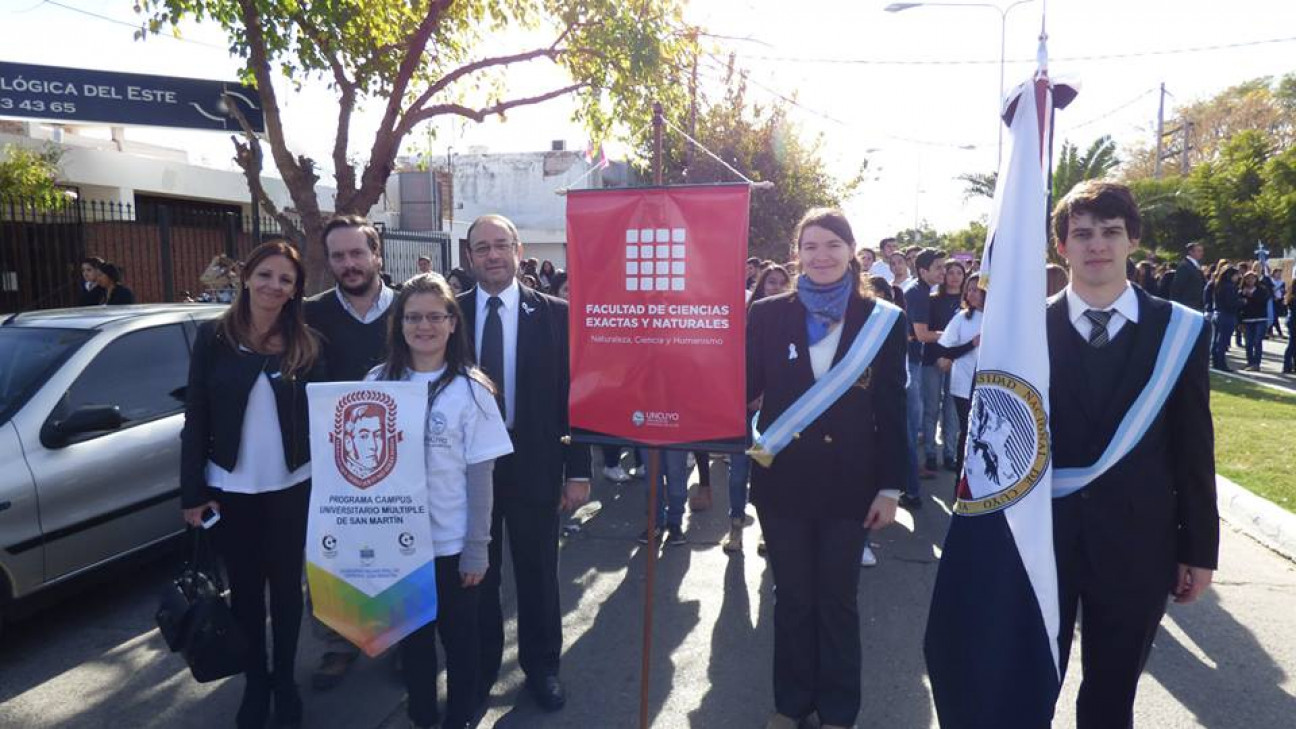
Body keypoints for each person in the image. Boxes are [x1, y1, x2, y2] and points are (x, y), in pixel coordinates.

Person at [1048, 181, 1217, 728]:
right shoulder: (1024, 328)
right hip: (1041, 538)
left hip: (1139, 542)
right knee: (1028, 680)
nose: (1097, 245)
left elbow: (1194, 445)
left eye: (1111, 232)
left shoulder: (1181, 330)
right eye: (1082, 234)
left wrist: (1198, 547)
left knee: (1112, 692)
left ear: (1133, 240)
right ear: (1062, 247)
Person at [748, 208, 904, 729]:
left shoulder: (883, 318)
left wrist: (890, 488)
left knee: (837, 601)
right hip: (783, 480)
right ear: (797, 253)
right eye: (810, 246)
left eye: (832, 245)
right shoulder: (768, 313)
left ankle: (838, 708)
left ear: (851, 251)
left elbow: (892, 410)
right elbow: (743, 388)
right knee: (792, 597)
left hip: (851, 485)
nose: (821, 256)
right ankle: (790, 703)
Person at [180, 240, 325, 729]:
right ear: (246, 277)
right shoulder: (213, 338)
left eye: (286, 279)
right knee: (244, 594)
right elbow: (196, 416)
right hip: (229, 490)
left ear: (295, 290)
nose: (274, 286)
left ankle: (284, 680)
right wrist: (192, 493)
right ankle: (256, 683)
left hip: (292, 488)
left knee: (286, 593)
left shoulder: (307, 342)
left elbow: (325, 418)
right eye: (266, 274)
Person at [366, 274, 512, 729]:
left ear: (452, 322)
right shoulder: (376, 382)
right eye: (412, 317)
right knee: (412, 644)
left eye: (434, 316)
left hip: (451, 546)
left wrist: (477, 548)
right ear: (399, 324)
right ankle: (423, 717)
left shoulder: (473, 390)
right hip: (399, 548)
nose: (423, 326)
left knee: (460, 642)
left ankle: (461, 718)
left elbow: (482, 478)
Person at [460, 214, 591, 712]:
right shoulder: (447, 314)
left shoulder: (557, 314)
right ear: (469, 257)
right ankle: (480, 673)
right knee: (478, 574)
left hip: (535, 463)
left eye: (500, 245)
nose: (492, 255)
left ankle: (543, 668)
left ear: (518, 251)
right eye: (481, 247)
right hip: (470, 472)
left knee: (538, 573)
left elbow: (575, 397)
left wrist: (578, 470)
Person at [303, 214, 397, 689]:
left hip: (398, 460)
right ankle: (337, 645)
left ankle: (403, 643)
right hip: (330, 464)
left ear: (377, 255)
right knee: (333, 558)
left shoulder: (407, 310)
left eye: (358, 253)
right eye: (338, 256)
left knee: (398, 553)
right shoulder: (309, 314)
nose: (348, 264)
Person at [724, 262, 793, 554]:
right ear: (760, 285)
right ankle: (736, 525)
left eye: (781, 283)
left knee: (767, 469)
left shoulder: (796, 322)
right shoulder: (745, 319)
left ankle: (768, 530)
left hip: (773, 415)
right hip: (743, 411)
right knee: (739, 472)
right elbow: (732, 365)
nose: (775, 287)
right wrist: (749, 395)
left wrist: (768, 396)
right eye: (770, 282)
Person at [904, 248, 947, 490]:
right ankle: (909, 479)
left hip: (913, 361)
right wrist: (954, 335)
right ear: (923, 271)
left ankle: (910, 470)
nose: (944, 271)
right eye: (938, 267)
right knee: (912, 420)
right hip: (909, 363)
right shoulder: (919, 294)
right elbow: (921, 335)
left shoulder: (920, 290)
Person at [935, 273, 982, 482]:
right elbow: (945, 351)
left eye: (976, 289)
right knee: (967, 430)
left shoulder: (1000, 316)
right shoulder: (962, 318)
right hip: (963, 384)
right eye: (969, 289)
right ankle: (961, 479)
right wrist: (971, 344)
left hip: (990, 383)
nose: (971, 293)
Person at [923, 260, 966, 472]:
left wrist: (950, 356)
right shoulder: (932, 300)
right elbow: (928, 332)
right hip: (932, 359)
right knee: (931, 408)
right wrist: (940, 356)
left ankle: (950, 454)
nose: (955, 276)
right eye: (951, 272)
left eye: (960, 273)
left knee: (952, 411)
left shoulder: (968, 302)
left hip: (958, 361)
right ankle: (930, 453)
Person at [1238, 271, 1271, 371]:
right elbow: (1239, 307)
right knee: (1248, 342)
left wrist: (1250, 296)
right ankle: (1250, 362)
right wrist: (1240, 322)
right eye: (1248, 278)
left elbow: (1263, 301)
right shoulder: (1241, 291)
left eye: (1253, 278)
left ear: (1256, 279)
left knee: (1257, 341)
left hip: (1260, 319)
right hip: (1247, 319)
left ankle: (1256, 363)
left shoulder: (1262, 290)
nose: (1250, 280)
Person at [1210, 266, 1240, 371]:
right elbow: (1231, 303)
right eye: (1236, 275)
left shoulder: (1218, 285)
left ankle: (1215, 362)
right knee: (1223, 341)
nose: (1238, 277)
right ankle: (1221, 364)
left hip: (1217, 313)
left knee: (1215, 341)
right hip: (1227, 315)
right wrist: (1241, 302)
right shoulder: (1230, 287)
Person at [1169, 241, 1207, 311]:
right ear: (1191, 252)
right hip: (1187, 305)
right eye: (1199, 251)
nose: (1201, 253)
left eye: (1202, 251)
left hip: (1196, 305)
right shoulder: (1185, 266)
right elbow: (1177, 286)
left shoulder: (1195, 266)